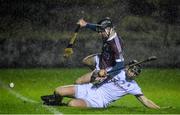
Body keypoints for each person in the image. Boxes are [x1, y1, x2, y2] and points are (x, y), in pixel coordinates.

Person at [41, 63, 160, 109]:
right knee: (58, 91)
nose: (132, 73)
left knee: (72, 105)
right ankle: (56, 101)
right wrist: (99, 74)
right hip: (90, 88)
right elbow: (98, 73)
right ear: (128, 68)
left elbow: (146, 101)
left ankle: (63, 104)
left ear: (137, 76)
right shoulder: (117, 70)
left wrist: (160, 110)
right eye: (132, 70)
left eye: (135, 73)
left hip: (99, 100)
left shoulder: (134, 86)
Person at [75, 17, 125, 84]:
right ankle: (96, 74)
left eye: (101, 31)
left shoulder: (116, 44)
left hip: (108, 67)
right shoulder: (107, 33)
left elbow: (120, 65)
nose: (99, 33)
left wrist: (107, 74)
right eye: (99, 31)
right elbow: (97, 28)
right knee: (86, 61)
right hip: (103, 58)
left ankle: (102, 80)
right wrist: (86, 24)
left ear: (108, 29)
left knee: (78, 82)